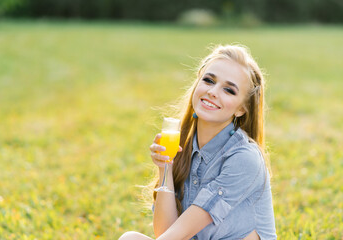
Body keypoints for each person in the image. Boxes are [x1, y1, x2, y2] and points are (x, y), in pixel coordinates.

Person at [119, 44, 277, 240]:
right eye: (209, 80)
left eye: (229, 90)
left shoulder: (245, 159)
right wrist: (165, 167)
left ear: (241, 109)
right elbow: (166, 232)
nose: (212, 91)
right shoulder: (182, 147)